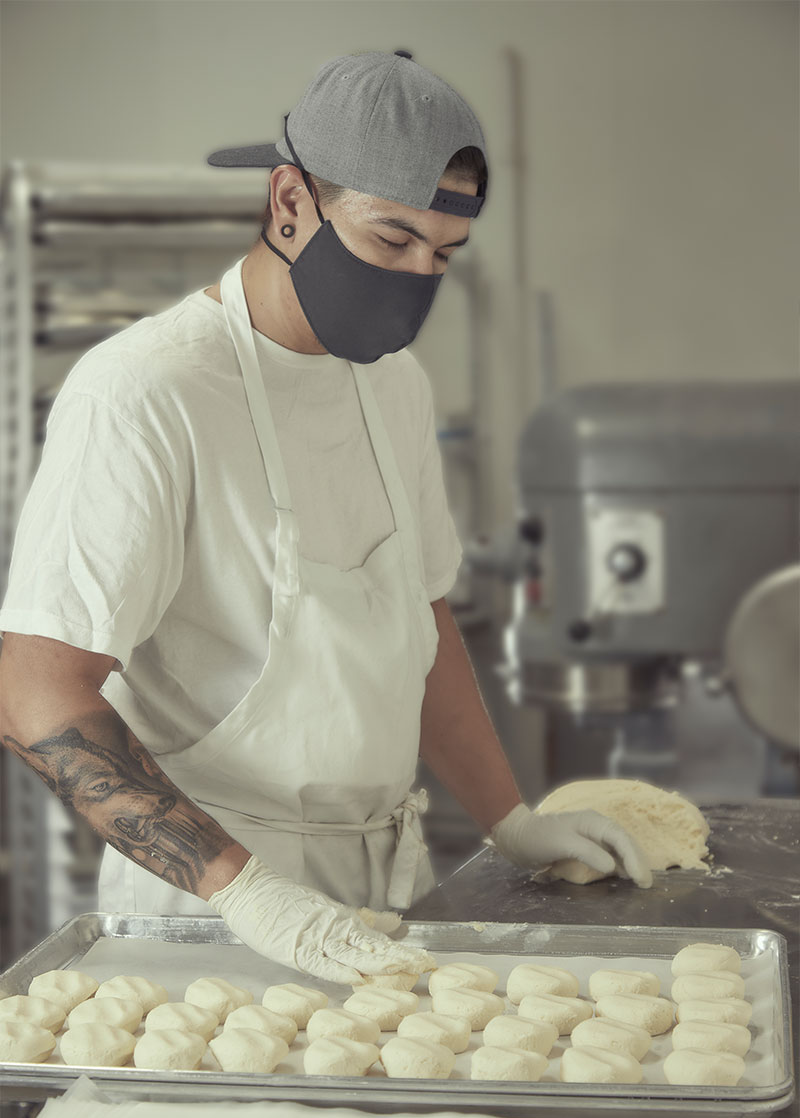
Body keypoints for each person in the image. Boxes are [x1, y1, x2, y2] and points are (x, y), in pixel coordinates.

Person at [0, 50, 650, 985]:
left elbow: (415, 622)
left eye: (445, 254)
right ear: (290, 203)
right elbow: (35, 694)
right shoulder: (145, 393)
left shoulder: (395, 385)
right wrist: (253, 894)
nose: (418, 276)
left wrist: (512, 820)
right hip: (207, 917)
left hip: (385, 885)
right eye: (392, 241)